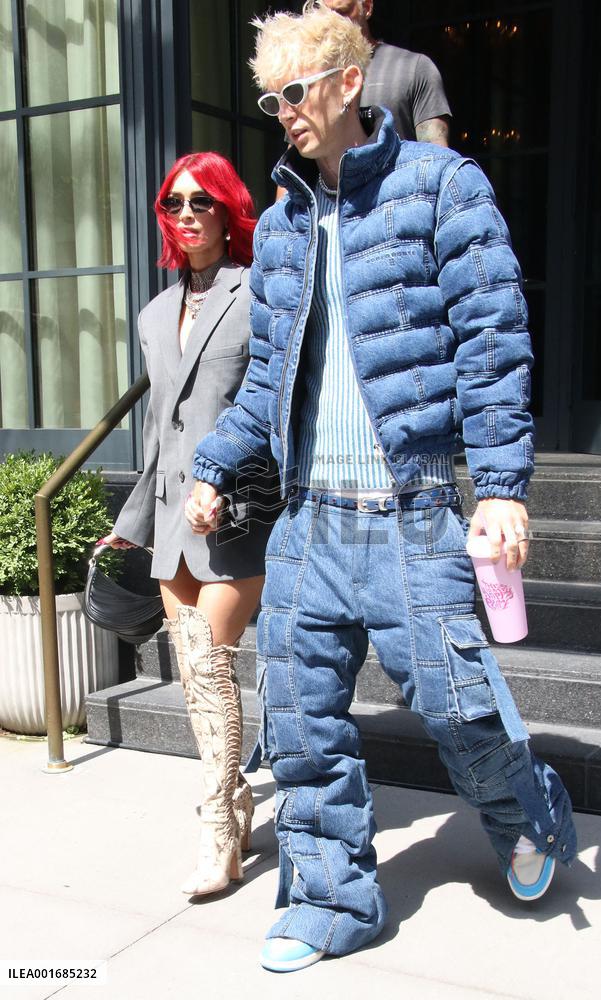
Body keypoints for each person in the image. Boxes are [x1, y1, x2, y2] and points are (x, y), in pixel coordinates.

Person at [188, 6, 576, 973]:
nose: (281, 113)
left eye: (294, 92)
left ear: (348, 82)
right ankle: (331, 903)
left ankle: (528, 805)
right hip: (308, 525)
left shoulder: (442, 189)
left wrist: (500, 486)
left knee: (459, 710)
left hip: (411, 519)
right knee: (303, 729)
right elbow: (272, 381)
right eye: (268, 99)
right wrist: (211, 468)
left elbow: (493, 342)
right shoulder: (280, 226)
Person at [104, 152, 275, 898]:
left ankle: (217, 829)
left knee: (211, 663)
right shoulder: (152, 313)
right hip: (172, 511)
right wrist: (134, 518)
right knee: (193, 674)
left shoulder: (258, 291)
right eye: (174, 203)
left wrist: (226, 478)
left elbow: (270, 401)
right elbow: (158, 430)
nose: (188, 214)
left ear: (229, 209)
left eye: (203, 201)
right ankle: (232, 798)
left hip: (236, 509)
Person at [304, 0, 452, 144]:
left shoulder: (414, 67)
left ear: (367, 7)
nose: (333, 22)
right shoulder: (308, 76)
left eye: (342, 12)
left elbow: (436, 157)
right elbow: (294, 161)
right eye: (325, 14)